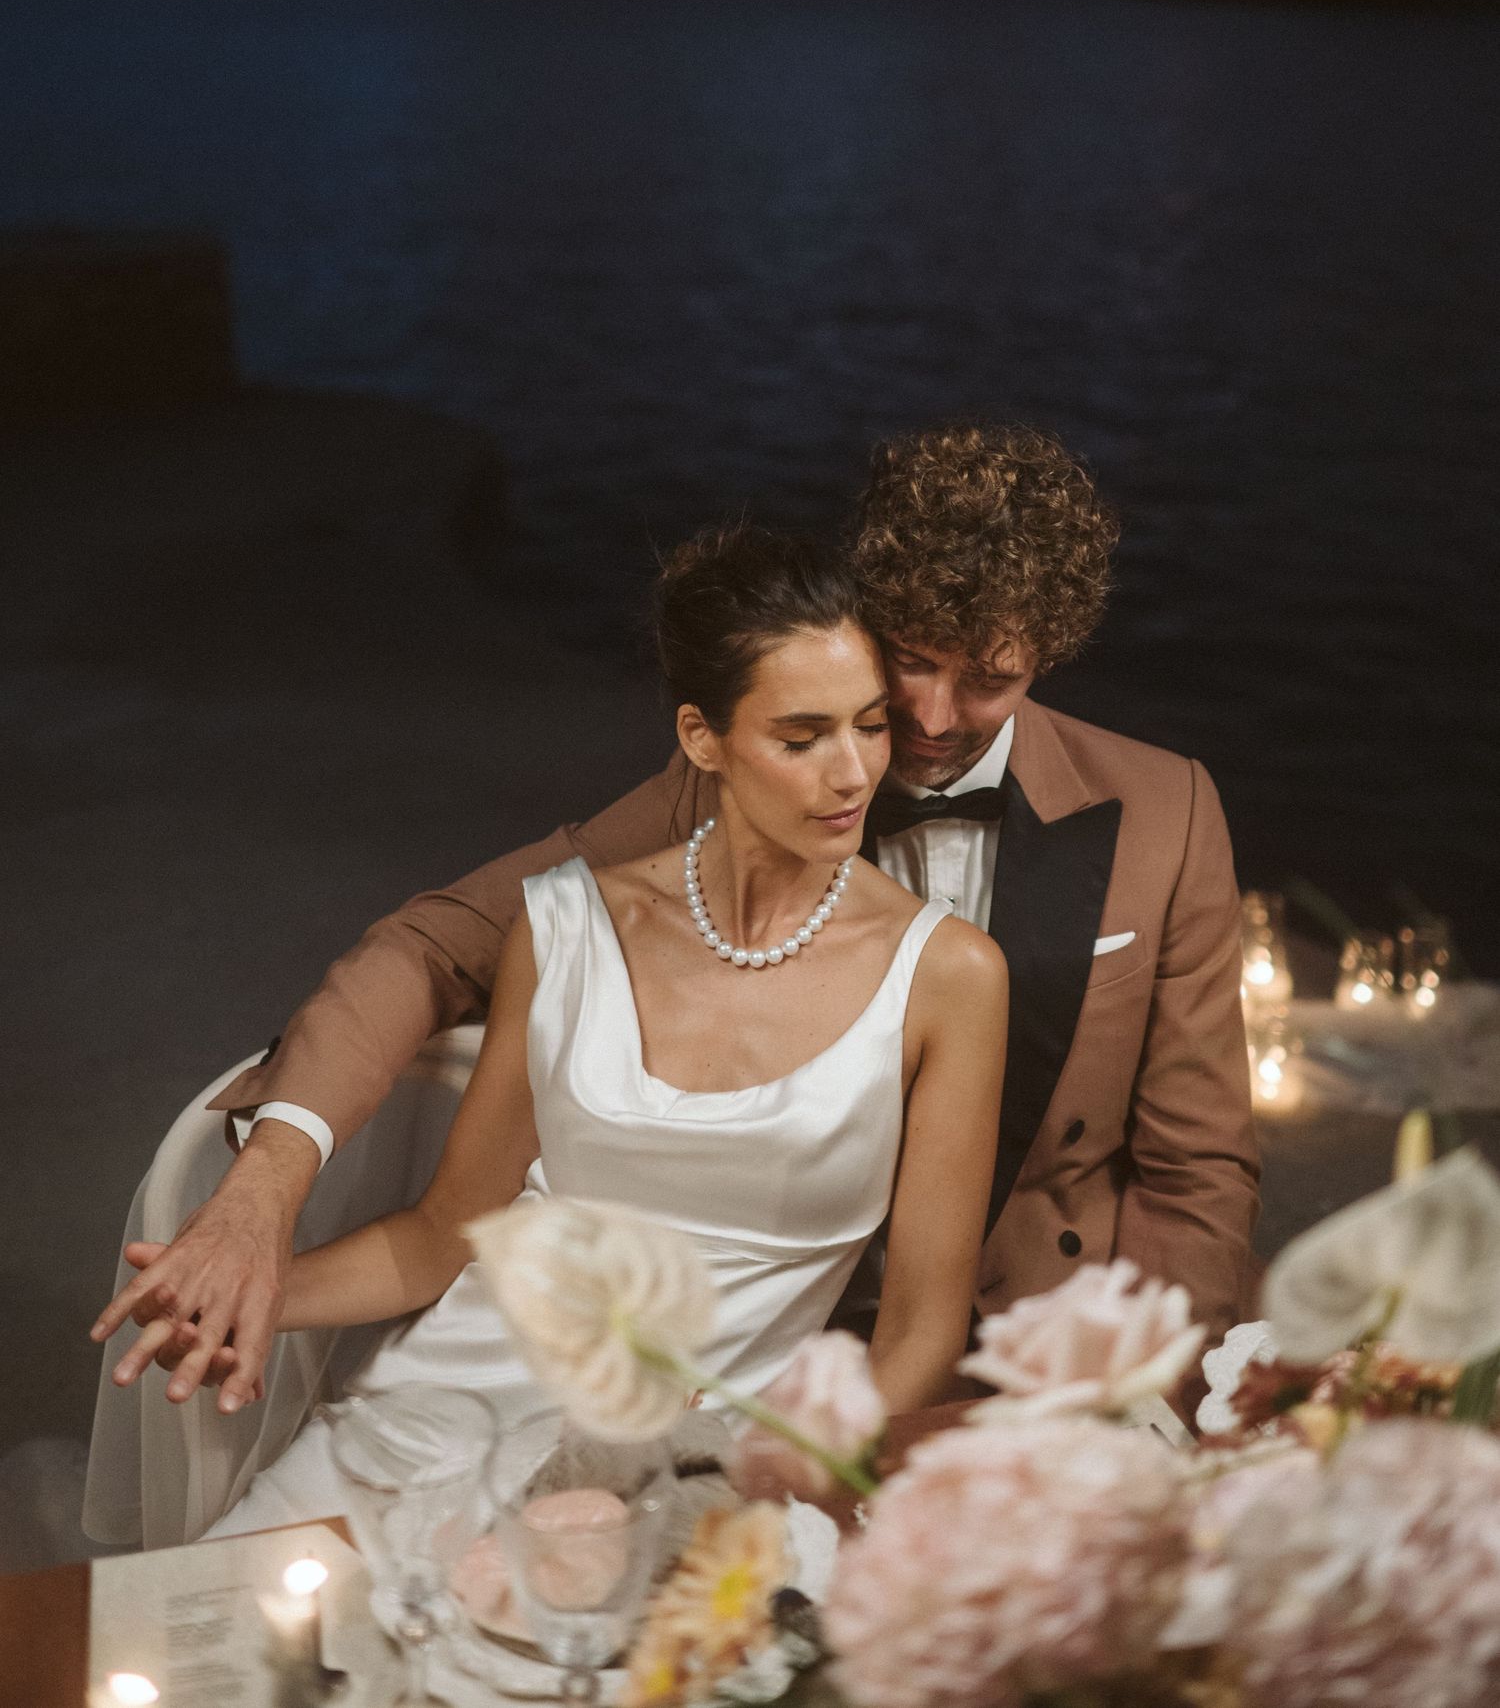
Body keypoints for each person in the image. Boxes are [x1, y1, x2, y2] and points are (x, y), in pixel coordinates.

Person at [95, 421, 1258, 1419]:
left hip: (1029, 1347)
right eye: (912, 664)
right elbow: (436, 942)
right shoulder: (743, 782)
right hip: (758, 1347)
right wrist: (265, 1190)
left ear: (1048, 657)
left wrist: (1153, 1393)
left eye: (990, 679)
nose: (936, 718)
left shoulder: (1167, 811)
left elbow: (1197, 1165)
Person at [135, 524, 1004, 1531]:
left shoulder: (949, 977)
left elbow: (922, 1337)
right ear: (702, 738)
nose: (853, 774)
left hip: (706, 1476)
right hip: (441, 1417)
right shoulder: (565, 927)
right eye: (802, 738)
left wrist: (753, 1464)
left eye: (869, 725)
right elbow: (440, 1239)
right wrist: (252, 1291)